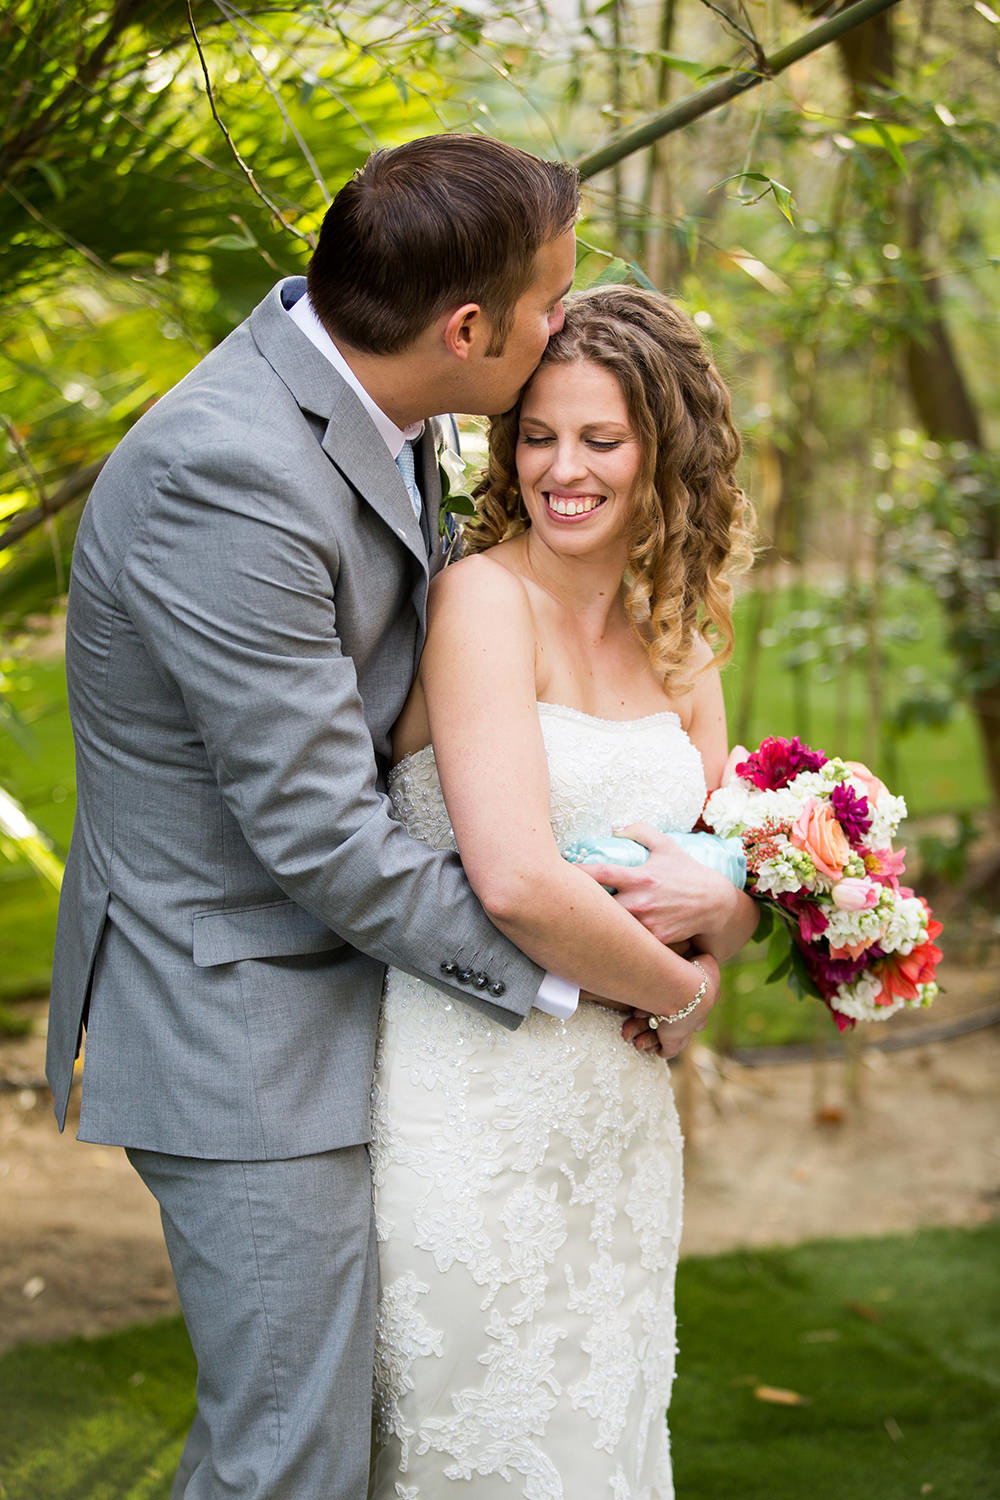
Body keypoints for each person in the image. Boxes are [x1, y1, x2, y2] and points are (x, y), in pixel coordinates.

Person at [46, 137, 746, 1499]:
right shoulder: (226, 469)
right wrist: (609, 972)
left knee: (383, 1445)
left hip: (381, 1005)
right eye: (550, 300)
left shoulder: (382, 409)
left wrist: (706, 901)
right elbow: (322, 839)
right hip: (242, 1023)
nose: (562, 325)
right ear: (467, 328)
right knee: (290, 1462)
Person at [369, 284, 758, 1498]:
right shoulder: (482, 601)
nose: (560, 470)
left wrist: (735, 915)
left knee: (603, 1433)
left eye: (601, 440)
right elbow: (520, 881)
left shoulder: (680, 631)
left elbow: (717, 854)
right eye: (538, 436)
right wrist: (683, 992)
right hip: (474, 1096)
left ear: (666, 453)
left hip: (619, 1122)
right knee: (478, 1445)